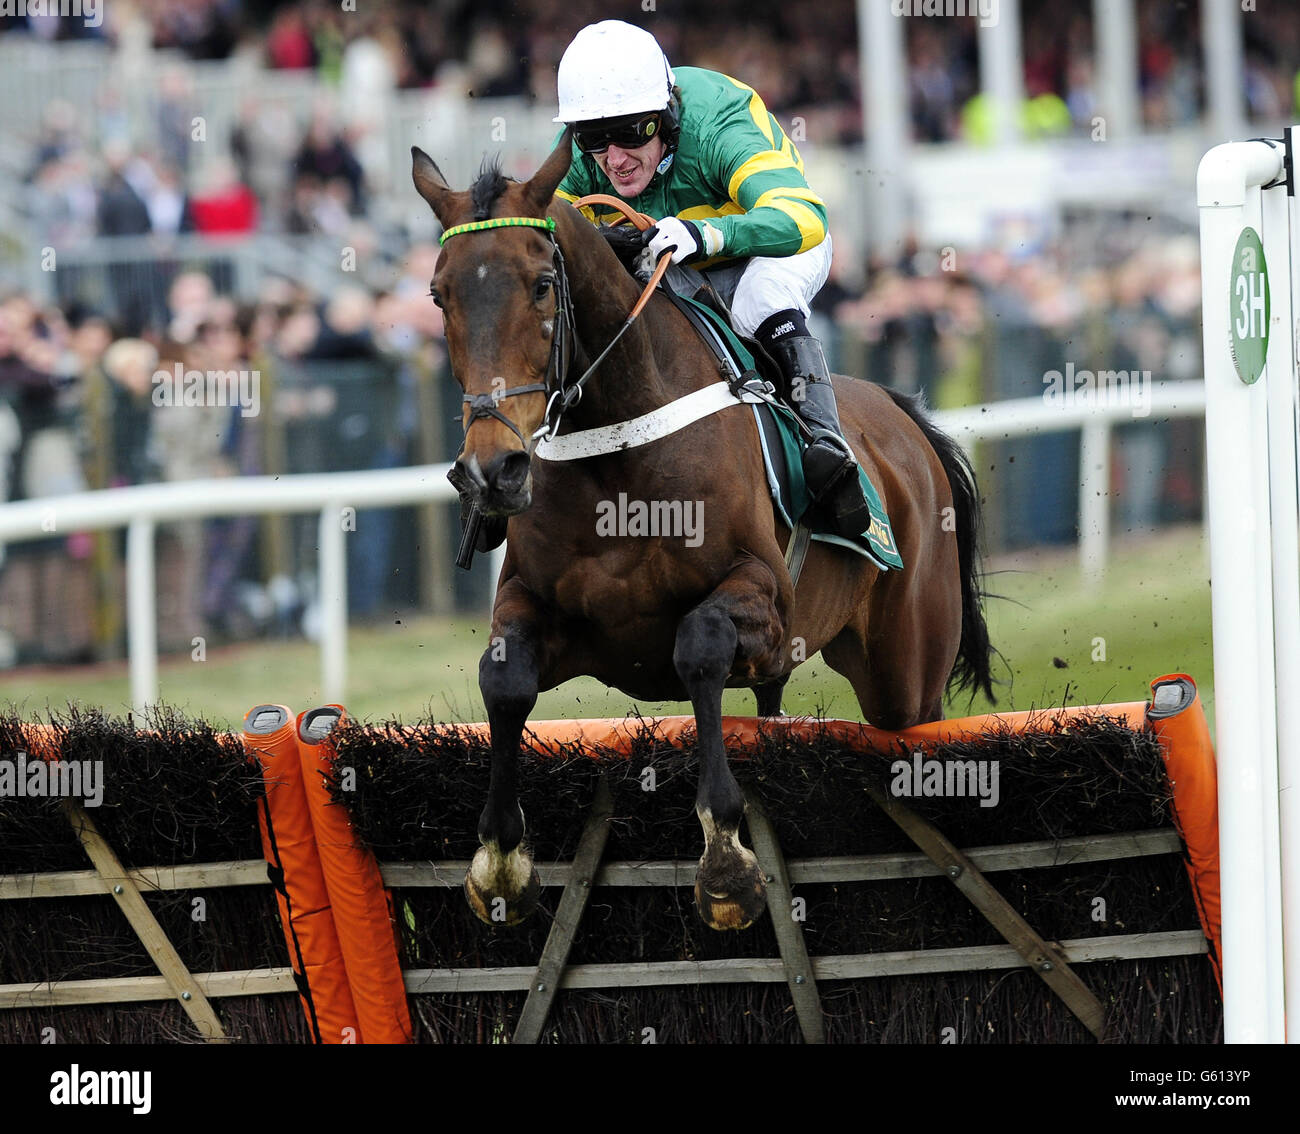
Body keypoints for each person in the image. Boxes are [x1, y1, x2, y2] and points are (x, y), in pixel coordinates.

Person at [552, 20, 870, 538]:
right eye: (594, 140)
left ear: (667, 113)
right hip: (671, 259)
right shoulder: (584, 151)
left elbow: (806, 219)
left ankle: (827, 448)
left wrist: (707, 235)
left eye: (633, 133)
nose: (614, 158)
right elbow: (526, 238)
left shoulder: (717, 120)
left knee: (757, 301)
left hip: (767, 248)